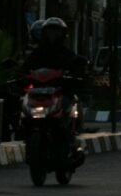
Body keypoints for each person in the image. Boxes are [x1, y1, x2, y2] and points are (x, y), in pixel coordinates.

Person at [21, 17, 88, 159]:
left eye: (56, 32)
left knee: (67, 109)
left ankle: (71, 141)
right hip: (39, 94)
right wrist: (20, 75)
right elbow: (24, 68)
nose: (52, 36)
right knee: (23, 112)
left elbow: (78, 67)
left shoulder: (67, 53)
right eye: (49, 32)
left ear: (62, 35)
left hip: (59, 93)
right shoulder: (37, 53)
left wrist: (75, 74)